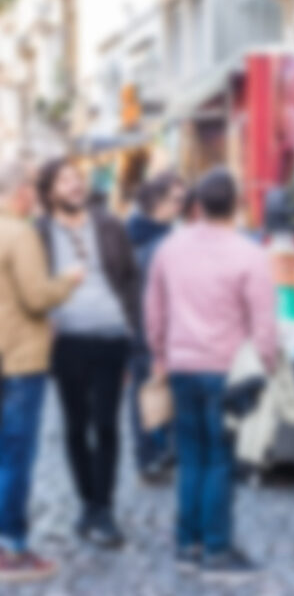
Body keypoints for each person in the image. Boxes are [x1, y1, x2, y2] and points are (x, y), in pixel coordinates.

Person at [145, 168, 277, 582]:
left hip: (182, 367)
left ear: (197, 205)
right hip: (226, 370)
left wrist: (160, 356)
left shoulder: (170, 248)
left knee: (191, 460)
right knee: (219, 461)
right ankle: (217, 553)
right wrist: (266, 366)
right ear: (237, 204)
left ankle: (189, 547)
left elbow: (154, 311)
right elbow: (264, 324)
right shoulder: (250, 254)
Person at [36, 158, 139, 549]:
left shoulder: (109, 224)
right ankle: (86, 503)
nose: (75, 185)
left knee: (107, 425)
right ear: (50, 192)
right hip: (68, 341)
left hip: (111, 336)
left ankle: (105, 508)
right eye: (65, 180)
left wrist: (132, 324)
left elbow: (130, 276)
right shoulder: (40, 232)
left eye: (77, 178)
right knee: (76, 426)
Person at [0, 160, 83, 583]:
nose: (34, 195)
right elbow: (36, 297)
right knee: (16, 455)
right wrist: (68, 280)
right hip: (20, 360)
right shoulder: (21, 233)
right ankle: (11, 546)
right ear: (21, 194)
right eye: (31, 189)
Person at [125, 172, 185, 482]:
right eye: (176, 200)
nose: (181, 206)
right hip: (145, 328)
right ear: (157, 202)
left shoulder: (143, 233)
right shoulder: (150, 239)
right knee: (147, 391)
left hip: (154, 327)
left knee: (153, 390)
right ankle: (150, 455)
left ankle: (157, 454)